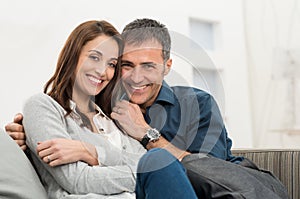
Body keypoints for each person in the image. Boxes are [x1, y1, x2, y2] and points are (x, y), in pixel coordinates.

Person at [6, 18, 288, 198]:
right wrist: (27, 136)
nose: (136, 77)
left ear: (167, 66)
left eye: (148, 66)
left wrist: (144, 135)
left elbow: (203, 174)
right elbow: (83, 174)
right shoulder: (115, 110)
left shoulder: (195, 104)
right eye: (126, 65)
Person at [5, 19, 197, 199]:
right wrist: (146, 174)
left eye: (111, 64)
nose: (102, 71)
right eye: (94, 57)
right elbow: (77, 180)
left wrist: (93, 153)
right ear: (73, 56)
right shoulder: (42, 106)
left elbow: (146, 161)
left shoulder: (115, 116)